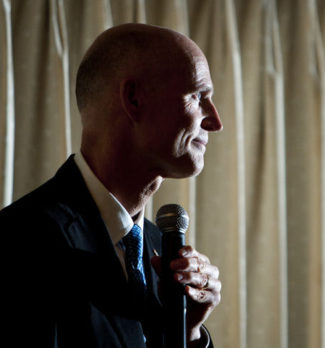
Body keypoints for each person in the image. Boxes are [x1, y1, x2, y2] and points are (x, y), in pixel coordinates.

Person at [2, 23, 223, 347]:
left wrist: (187, 332)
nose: (215, 122)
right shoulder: (20, 241)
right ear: (133, 99)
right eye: (197, 96)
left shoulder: (159, 244)